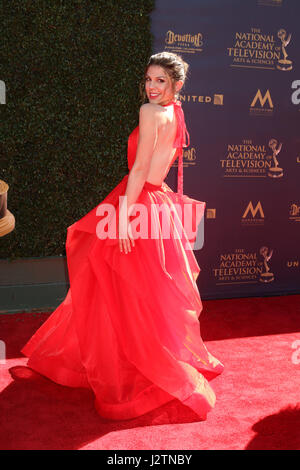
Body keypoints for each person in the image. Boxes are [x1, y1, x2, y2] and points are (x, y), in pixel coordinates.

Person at [21, 52, 224, 421]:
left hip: (137, 203)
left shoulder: (150, 112)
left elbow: (142, 166)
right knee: (146, 293)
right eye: (148, 79)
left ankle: (126, 367)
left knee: (117, 289)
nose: (151, 87)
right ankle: (143, 357)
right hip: (159, 203)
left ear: (176, 84)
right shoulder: (177, 112)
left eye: (160, 80)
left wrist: (125, 218)